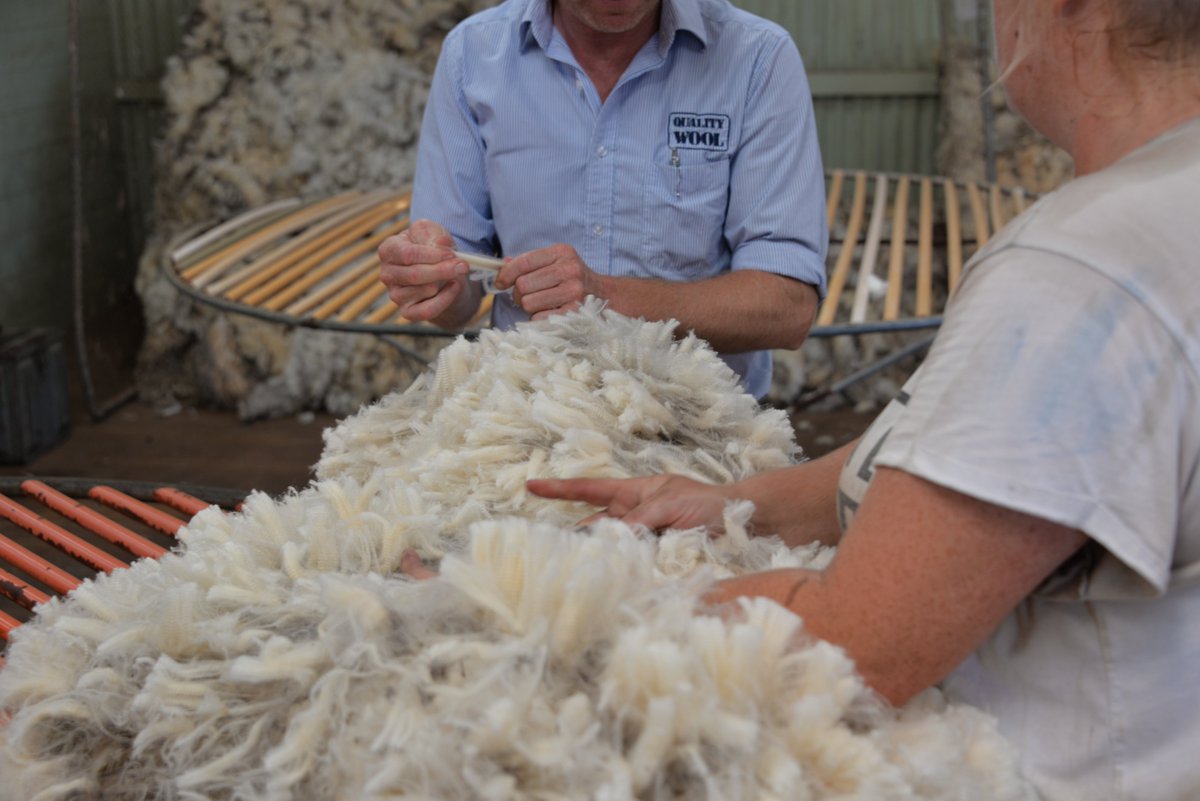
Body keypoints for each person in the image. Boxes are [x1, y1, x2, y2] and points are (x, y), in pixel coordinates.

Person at [526, 0, 1200, 798]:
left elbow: (852, 644)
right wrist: (739, 503)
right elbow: (956, 454)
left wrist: (535, 606)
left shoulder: (1075, 274)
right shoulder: (1165, 206)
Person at [378, 0, 828, 400]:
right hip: (523, 412)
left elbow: (787, 308)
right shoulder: (473, 56)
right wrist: (433, 278)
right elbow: (457, 300)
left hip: (701, 422)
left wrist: (607, 296)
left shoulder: (757, 58)